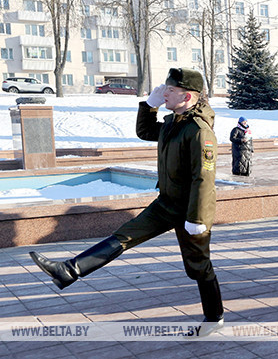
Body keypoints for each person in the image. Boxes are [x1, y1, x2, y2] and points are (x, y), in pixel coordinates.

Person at [29, 68, 224, 336]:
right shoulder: (173, 122)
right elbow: (145, 132)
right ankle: (68, 271)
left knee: (199, 267)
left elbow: (204, 179)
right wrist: (149, 106)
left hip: (191, 210)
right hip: (166, 204)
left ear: (188, 96)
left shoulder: (199, 132)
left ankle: (214, 318)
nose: (163, 93)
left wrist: (198, 219)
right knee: (124, 236)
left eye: (170, 90)